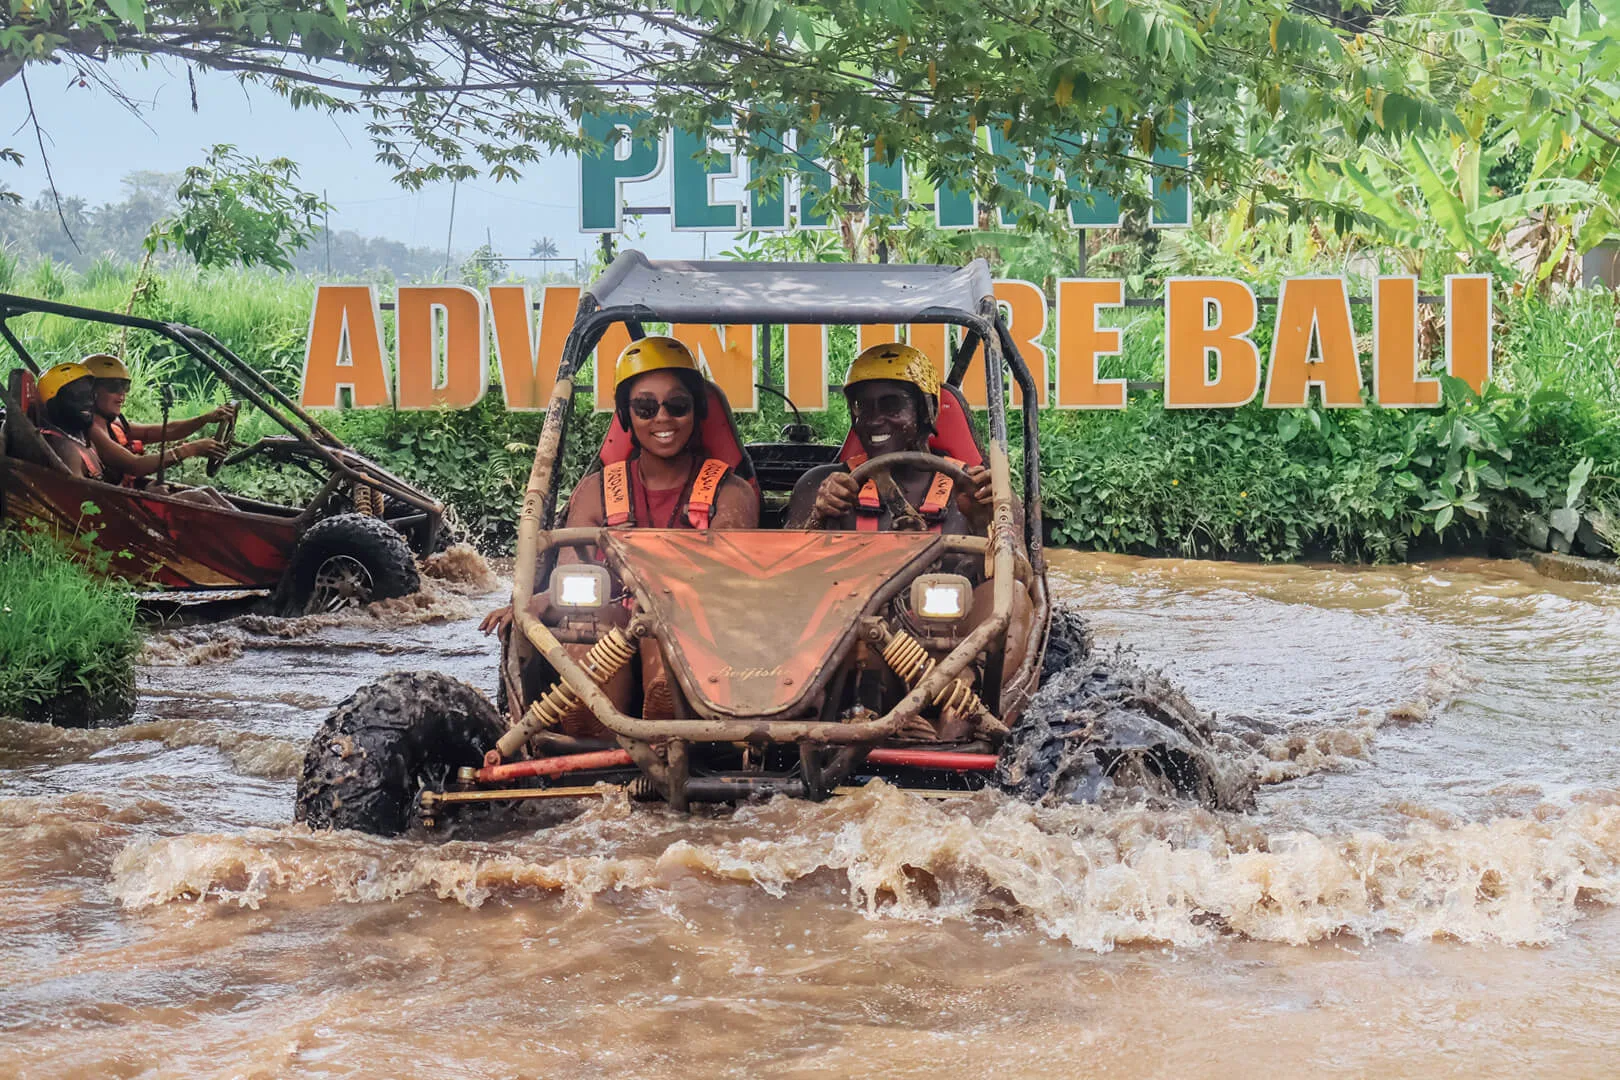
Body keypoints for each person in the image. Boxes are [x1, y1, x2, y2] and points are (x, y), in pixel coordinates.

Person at [480, 335, 758, 636]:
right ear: (626, 415)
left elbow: (727, 588)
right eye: (645, 407)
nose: (663, 418)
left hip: (701, 632)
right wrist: (538, 602)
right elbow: (571, 585)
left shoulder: (730, 493)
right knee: (583, 623)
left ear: (697, 410)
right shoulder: (596, 494)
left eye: (677, 406)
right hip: (613, 631)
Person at [786, 342, 994, 533]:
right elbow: (788, 559)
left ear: (925, 411)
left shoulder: (975, 491)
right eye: (863, 406)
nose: (874, 420)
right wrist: (818, 516)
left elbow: (1007, 560)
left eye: (892, 405)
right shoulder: (820, 487)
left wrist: (982, 521)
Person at [80, 354, 232, 487]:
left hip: (129, 492)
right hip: (115, 502)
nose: (122, 395)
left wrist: (205, 419)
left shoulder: (114, 426)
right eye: (114, 387)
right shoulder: (92, 430)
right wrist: (189, 450)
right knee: (201, 497)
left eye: (125, 387)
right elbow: (135, 465)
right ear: (90, 391)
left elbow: (168, 430)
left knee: (206, 492)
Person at [34, 363, 105, 479]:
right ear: (53, 404)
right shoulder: (67, 450)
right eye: (78, 396)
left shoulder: (83, 439)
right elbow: (75, 489)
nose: (89, 402)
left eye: (91, 395)